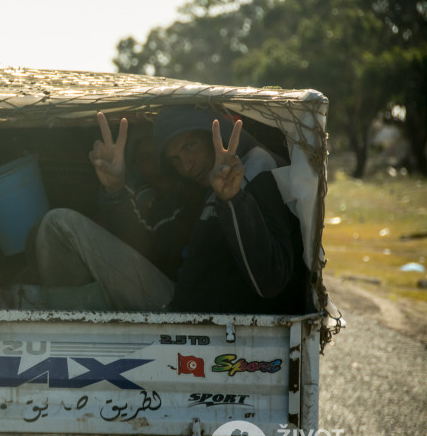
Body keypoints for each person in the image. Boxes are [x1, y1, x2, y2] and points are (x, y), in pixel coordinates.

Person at [34, 105, 307, 314]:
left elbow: (270, 281)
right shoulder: (195, 196)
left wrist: (233, 201)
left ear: (214, 135)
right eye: (175, 158)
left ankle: (68, 338)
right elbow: (151, 248)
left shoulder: (256, 170)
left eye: (190, 145)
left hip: (196, 319)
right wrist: (115, 189)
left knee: (59, 224)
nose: (186, 164)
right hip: (179, 305)